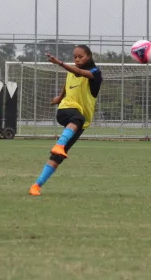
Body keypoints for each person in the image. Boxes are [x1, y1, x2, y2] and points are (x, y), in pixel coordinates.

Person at [28, 45, 102, 196]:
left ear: (89, 56)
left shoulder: (95, 73)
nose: (77, 59)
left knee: (59, 156)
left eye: (80, 56)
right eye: (74, 57)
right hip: (66, 111)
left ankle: (36, 186)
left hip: (80, 122)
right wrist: (59, 98)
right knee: (77, 118)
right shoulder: (71, 70)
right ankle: (59, 144)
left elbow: (80, 73)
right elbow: (67, 85)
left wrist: (61, 64)